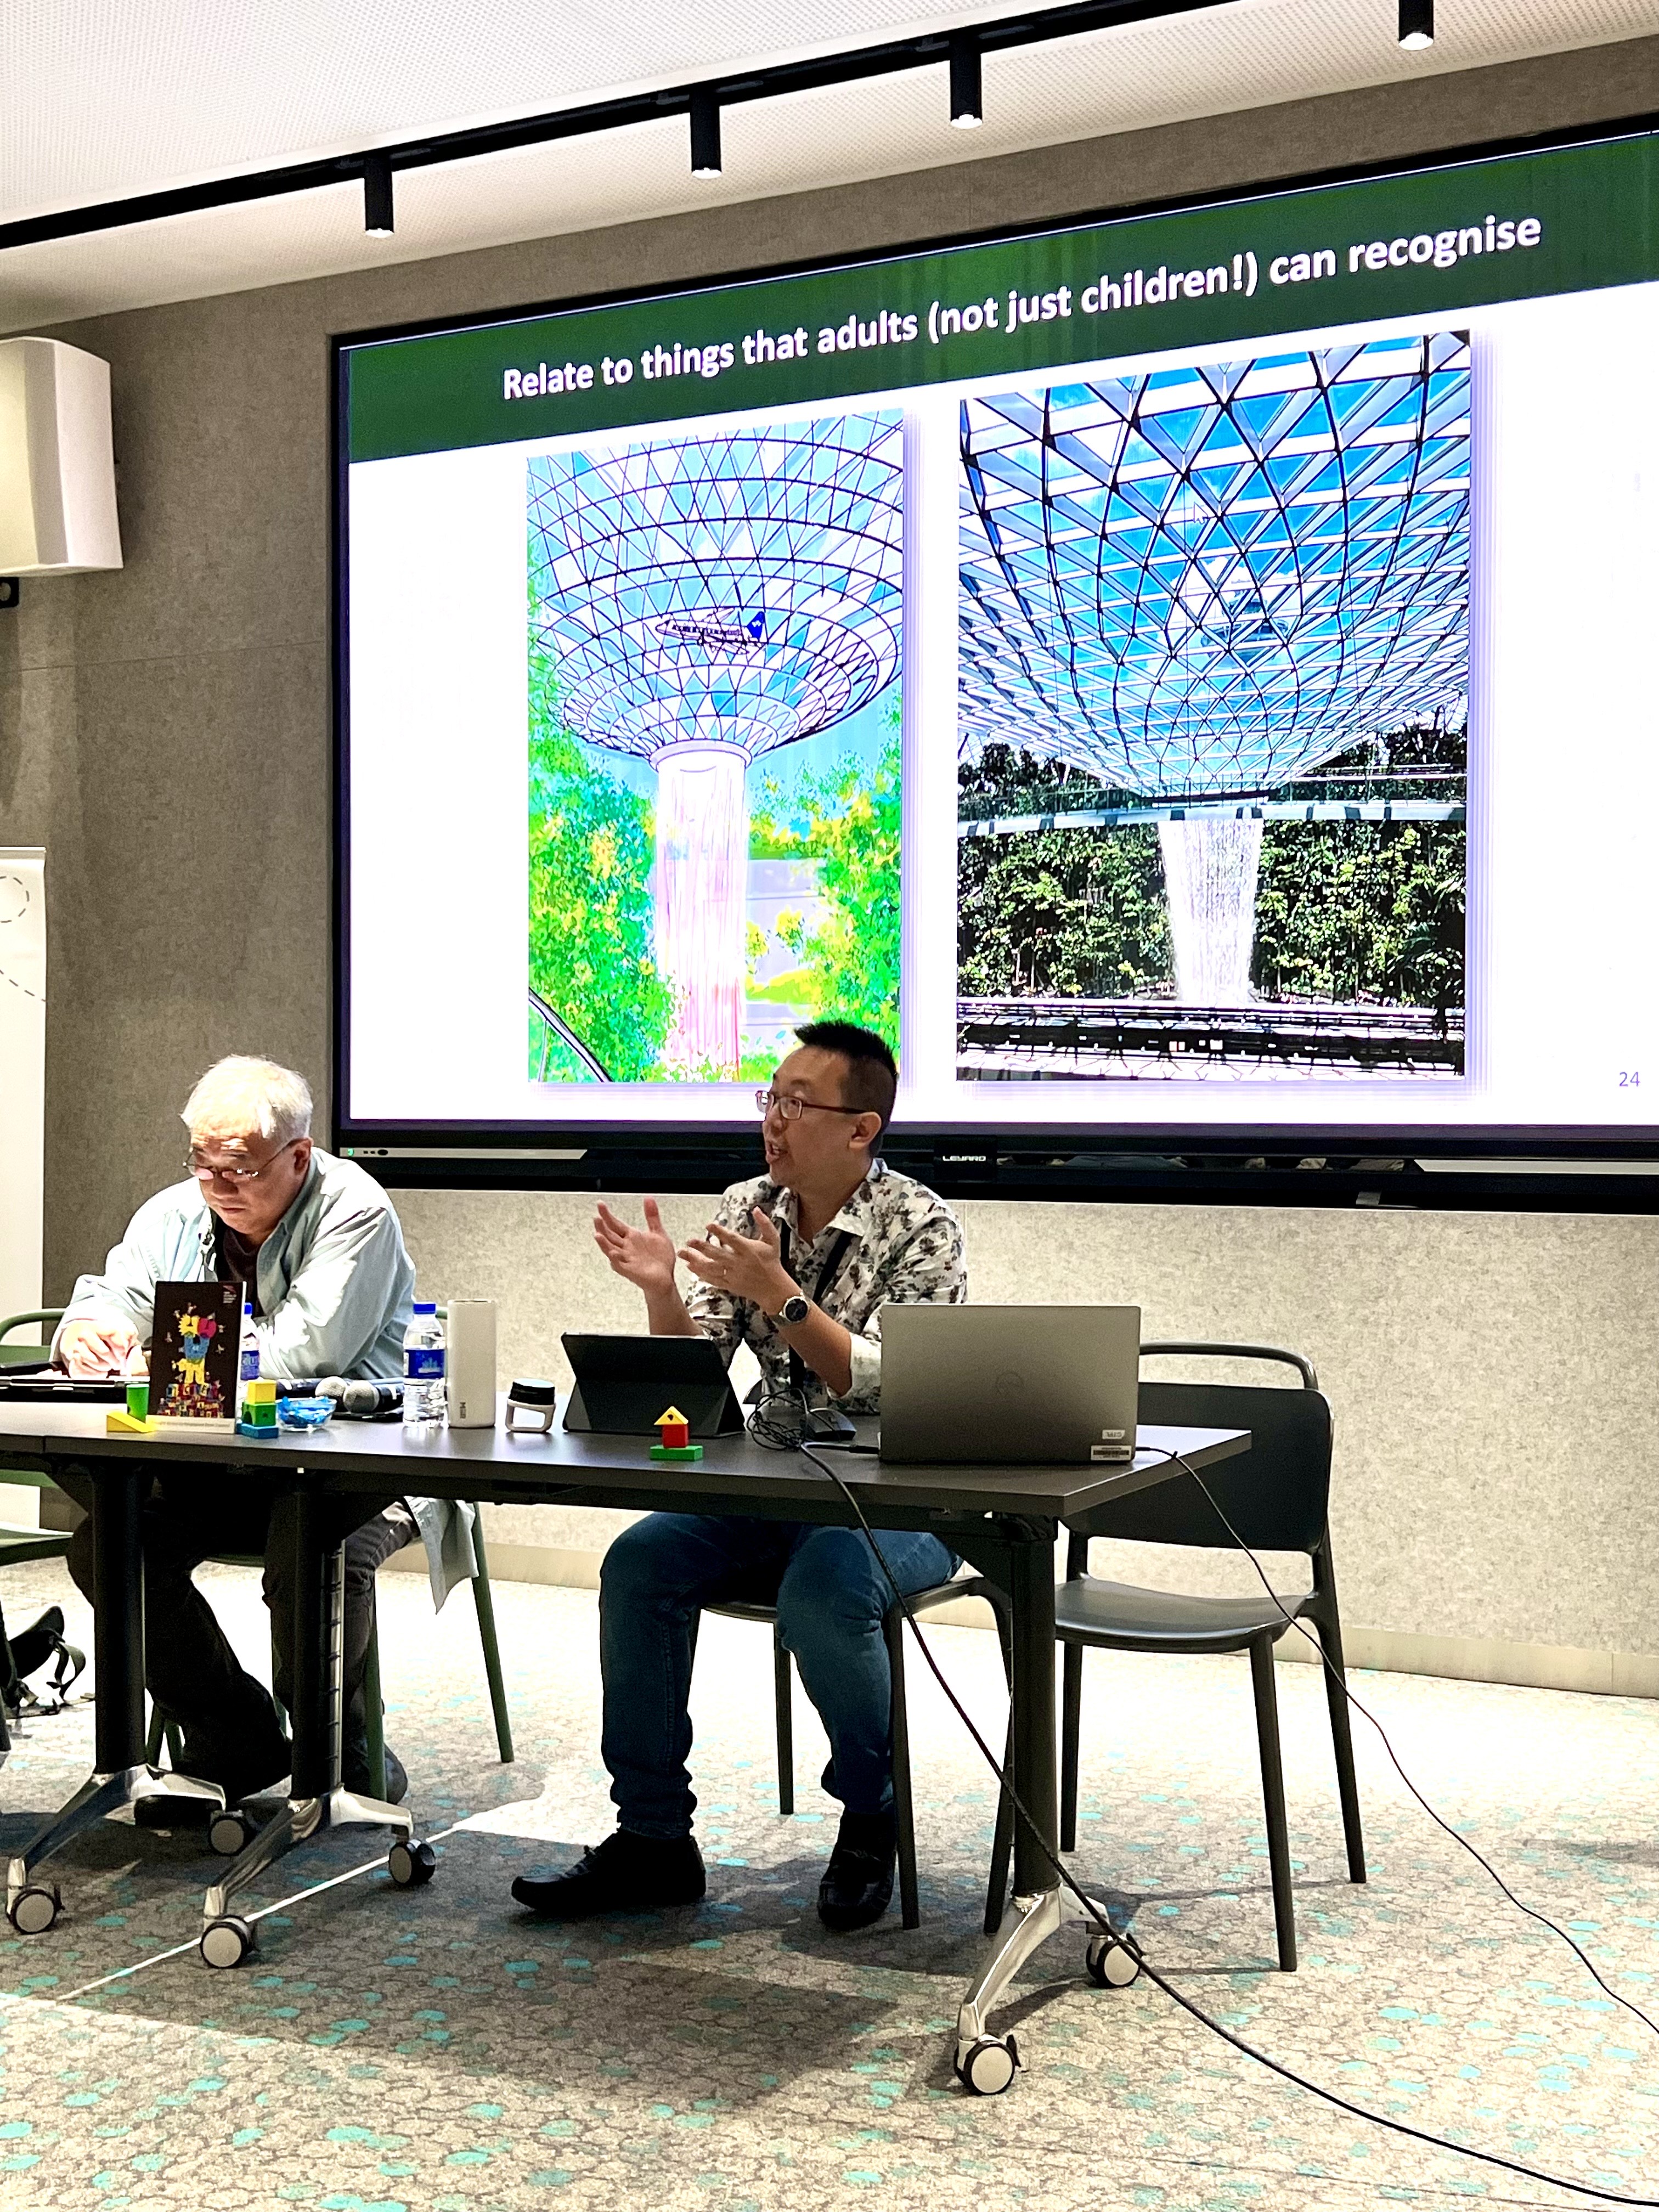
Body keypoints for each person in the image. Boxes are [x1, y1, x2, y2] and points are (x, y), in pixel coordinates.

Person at [512, 1020, 967, 1931]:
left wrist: (785, 1300)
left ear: (860, 1128)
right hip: (774, 1488)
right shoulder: (744, 1203)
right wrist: (660, 1294)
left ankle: (872, 1814)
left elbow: (886, 1380)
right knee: (639, 1565)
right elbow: (702, 1383)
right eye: (770, 1098)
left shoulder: (921, 1225)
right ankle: (652, 1839)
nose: (775, 1119)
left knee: (825, 1590)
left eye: (798, 1103)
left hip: (904, 1499)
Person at [54, 1055, 475, 1809]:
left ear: (298, 1156)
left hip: (355, 1461)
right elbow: (114, 1294)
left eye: (239, 1169)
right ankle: (237, 1738)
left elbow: (302, 1355)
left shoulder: (356, 1210)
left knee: (310, 1553)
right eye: (203, 1164)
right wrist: (90, 1332)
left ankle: (338, 1754)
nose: (216, 1186)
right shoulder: (176, 1211)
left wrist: (157, 1361)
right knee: (110, 1546)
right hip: (219, 1463)